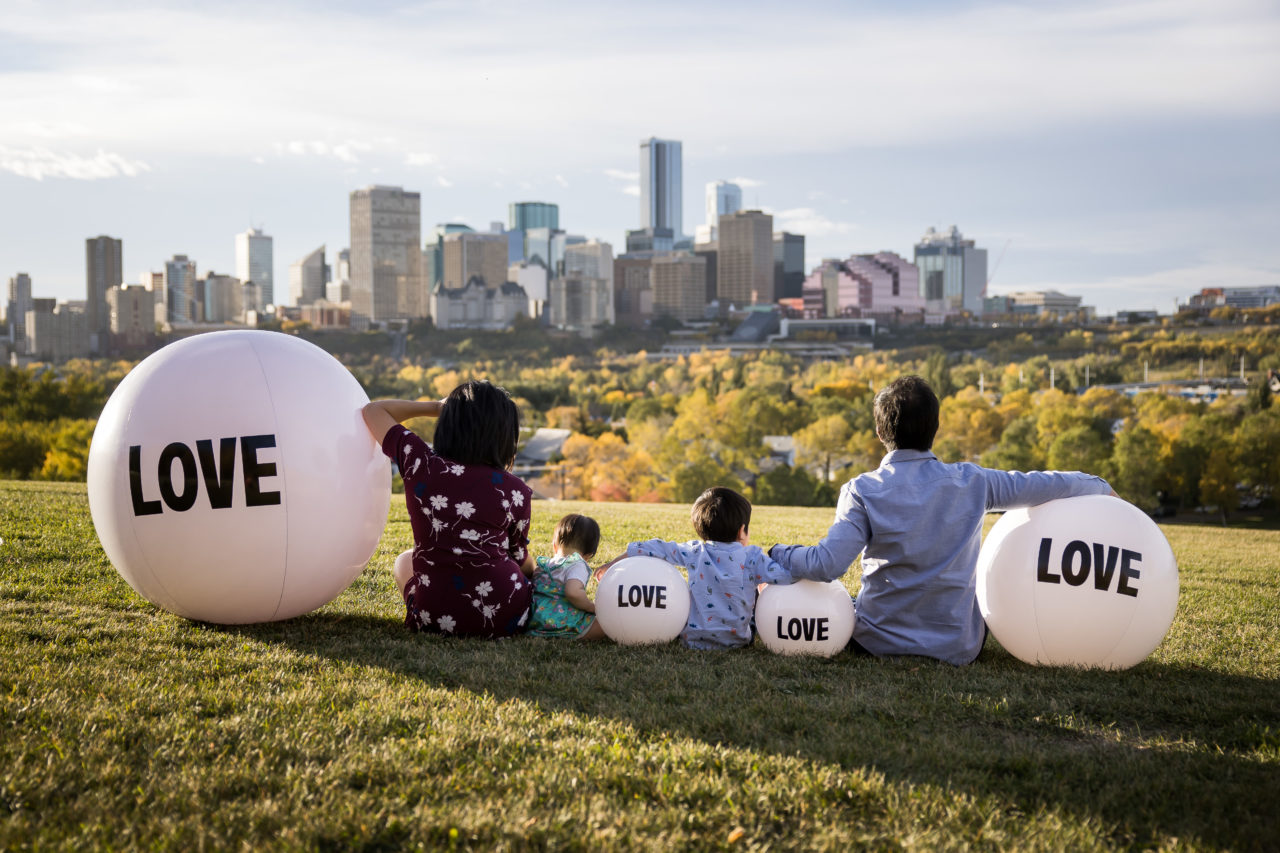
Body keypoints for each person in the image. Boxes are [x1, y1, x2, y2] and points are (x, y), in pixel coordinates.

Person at [768, 375, 1114, 665]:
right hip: (958, 648)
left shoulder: (862, 490)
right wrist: (1101, 487)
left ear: (879, 431)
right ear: (936, 426)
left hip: (876, 643)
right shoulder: (974, 481)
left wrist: (777, 552)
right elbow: (1045, 483)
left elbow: (826, 565)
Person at [362, 381, 532, 638]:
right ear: (505, 436)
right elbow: (519, 557)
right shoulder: (516, 490)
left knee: (404, 560)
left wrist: (437, 406)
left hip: (434, 618)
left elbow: (373, 411)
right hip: (507, 617)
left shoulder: (421, 465)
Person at [615, 487, 796, 650]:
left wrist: (613, 564)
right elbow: (788, 575)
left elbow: (653, 547)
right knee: (759, 589)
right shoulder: (753, 558)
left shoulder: (694, 551)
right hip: (737, 641)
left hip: (692, 640)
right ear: (742, 531)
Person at [526, 513, 607, 640]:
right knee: (606, 625)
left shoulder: (543, 565)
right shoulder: (577, 564)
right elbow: (573, 592)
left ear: (554, 545)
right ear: (589, 555)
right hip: (562, 622)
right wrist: (590, 606)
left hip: (534, 621)